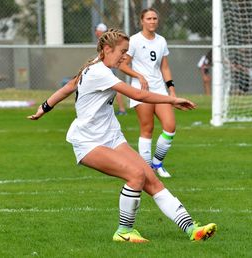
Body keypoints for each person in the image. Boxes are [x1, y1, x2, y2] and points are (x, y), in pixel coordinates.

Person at [28, 29, 216, 243]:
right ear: (107, 49)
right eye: (123, 51)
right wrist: (172, 100)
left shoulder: (95, 65)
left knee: (151, 179)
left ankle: (192, 229)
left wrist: (45, 107)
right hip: (88, 142)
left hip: (112, 137)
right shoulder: (100, 71)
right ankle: (124, 232)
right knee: (135, 175)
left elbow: (69, 87)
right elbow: (137, 94)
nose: (125, 57)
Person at [119, 8, 177, 178]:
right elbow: (122, 65)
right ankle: (146, 168)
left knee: (170, 127)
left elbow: (164, 67)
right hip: (141, 90)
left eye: (155, 18)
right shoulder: (134, 41)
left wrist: (171, 91)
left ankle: (157, 163)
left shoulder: (161, 41)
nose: (152, 21)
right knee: (147, 128)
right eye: (149, 18)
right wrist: (139, 76)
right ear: (142, 21)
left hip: (159, 89)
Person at [96, 23, 127, 114]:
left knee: (116, 87)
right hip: (104, 67)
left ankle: (122, 109)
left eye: (97, 30)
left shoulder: (107, 43)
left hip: (108, 68)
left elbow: (138, 95)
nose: (96, 32)